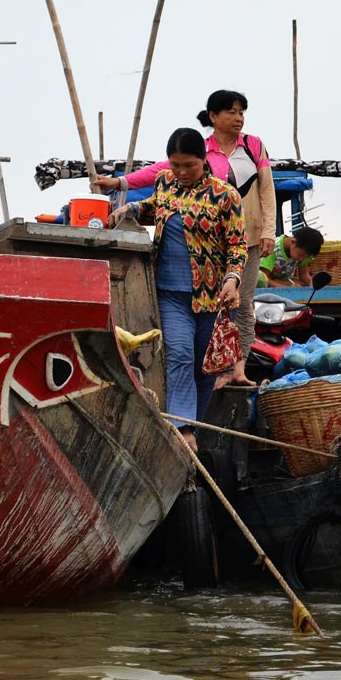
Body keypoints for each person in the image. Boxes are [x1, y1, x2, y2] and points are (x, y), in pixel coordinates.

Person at [96, 89, 274, 387]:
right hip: (200, 257)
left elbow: (267, 189)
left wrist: (269, 229)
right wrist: (121, 183)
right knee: (185, 351)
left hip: (248, 238)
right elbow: (160, 174)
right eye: (231, 111)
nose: (238, 117)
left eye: (241, 112)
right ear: (213, 117)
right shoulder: (197, 150)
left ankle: (237, 368)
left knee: (241, 304)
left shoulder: (253, 147)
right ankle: (206, 390)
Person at [107, 128, 246, 452]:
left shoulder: (226, 196)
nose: (181, 173)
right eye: (176, 165)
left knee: (205, 366)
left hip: (212, 296)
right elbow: (157, 206)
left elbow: (238, 245)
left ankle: (191, 428)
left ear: (203, 161)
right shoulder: (165, 183)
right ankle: (181, 428)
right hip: (170, 292)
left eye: (189, 166)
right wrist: (131, 209)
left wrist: (232, 279)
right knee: (180, 355)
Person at [258, 226, 324, 287]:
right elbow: (263, 279)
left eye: (304, 258)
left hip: (286, 282)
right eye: (300, 255)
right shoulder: (273, 249)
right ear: (293, 243)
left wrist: (310, 284)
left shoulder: (303, 251)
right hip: (268, 284)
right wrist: (286, 286)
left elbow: (304, 274)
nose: (301, 259)